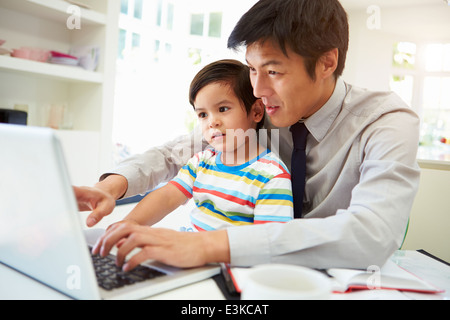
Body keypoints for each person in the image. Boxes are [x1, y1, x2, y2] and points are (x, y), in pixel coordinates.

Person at [79, 0, 420, 271]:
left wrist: (207, 245)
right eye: (253, 70)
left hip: (335, 280)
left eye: (273, 71)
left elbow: (373, 234)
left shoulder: (386, 122)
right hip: (246, 275)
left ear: (327, 62)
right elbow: (176, 153)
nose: (257, 88)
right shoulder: (261, 109)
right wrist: (112, 186)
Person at [95, 60, 293, 249]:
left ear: (257, 112)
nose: (212, 122)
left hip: (230, 269)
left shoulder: (272, 175)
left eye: (223, 109)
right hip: (188, 257)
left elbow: (270, 244)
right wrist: (129, 224)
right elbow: (166, 197)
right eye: (203, 114)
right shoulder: (202, 160)